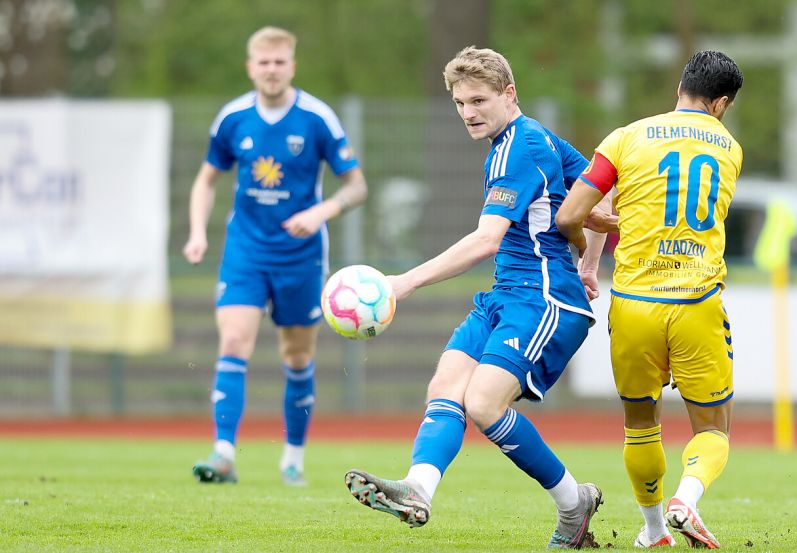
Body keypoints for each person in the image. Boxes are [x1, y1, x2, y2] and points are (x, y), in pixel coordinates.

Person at [344, 46, 603, 549]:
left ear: (510, 94)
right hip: (508, 295)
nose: (468, 112)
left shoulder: (519, 147)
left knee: (483, 403)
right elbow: (599, 188)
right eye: (460, 103)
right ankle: (418, 489)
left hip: (544, 298)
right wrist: (590, 260)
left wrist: (405, 282)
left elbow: (486, 240)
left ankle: (575, 504)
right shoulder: (533, 140)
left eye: (478, 100)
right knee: (446, 384)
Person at [555, 50, 744, 549]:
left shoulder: (625, 137)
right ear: (721, 103)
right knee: (712, 428)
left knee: (640, 423)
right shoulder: (730, 147)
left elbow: (570, 215)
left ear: (681, 86)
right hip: (697, 301)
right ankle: (687, 497)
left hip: (634, 302)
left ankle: (656, 529)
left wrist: (588, 242)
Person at [182, 26, 368, 486]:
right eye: (262, 62)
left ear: (291, 66)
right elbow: (206, 180)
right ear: (251, 67)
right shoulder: (233, 119)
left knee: (297, 356)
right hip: (245, 250)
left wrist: (321, 211)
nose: (271, 70)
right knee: (233, 341)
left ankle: (293, 458)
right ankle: (224, 453)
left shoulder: (317, 118)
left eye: (279, 62)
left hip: (301, 256)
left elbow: (357, 186)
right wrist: (196, 232)